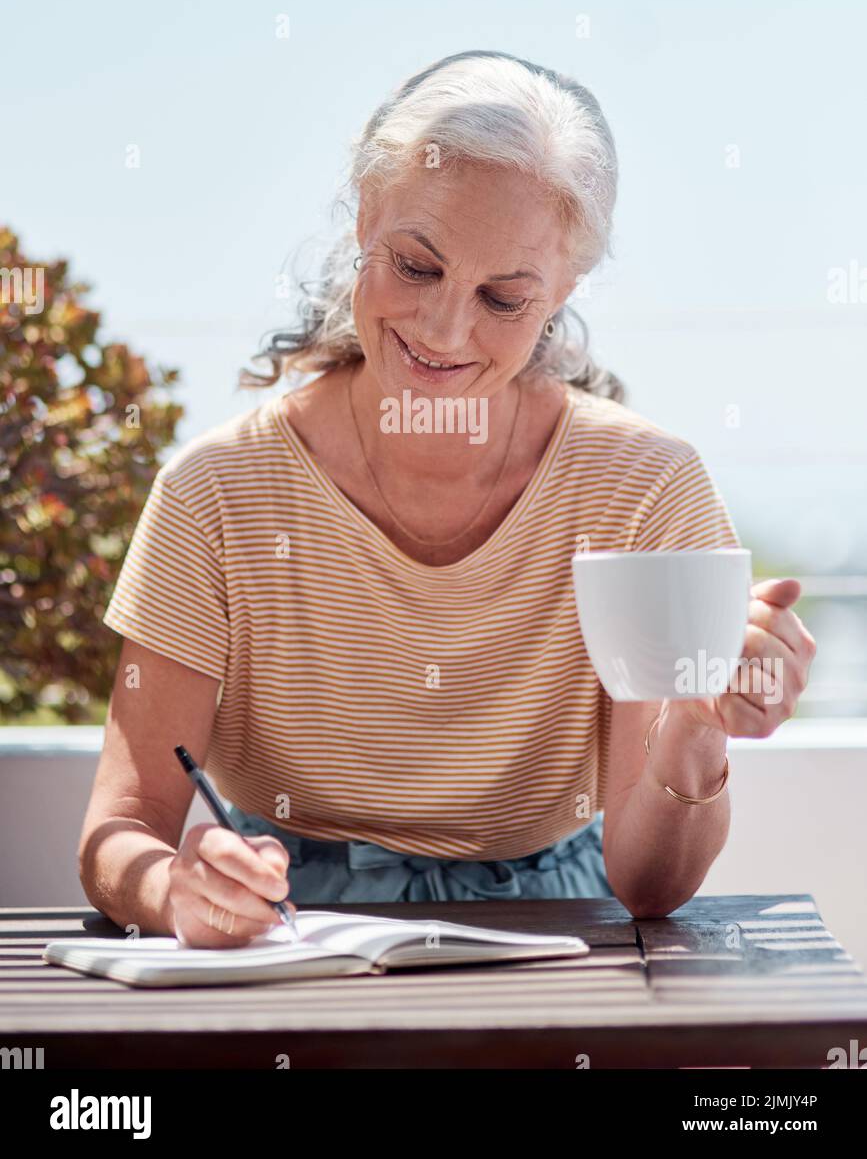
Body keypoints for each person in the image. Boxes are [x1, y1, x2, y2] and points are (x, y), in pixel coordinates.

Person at [78, 51, 817, 947]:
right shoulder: (218, 495)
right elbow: (121, 830)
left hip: (562, 934)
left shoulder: (644, 489)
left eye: (504, 298)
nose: (444, 330)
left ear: (562, 295)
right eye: (416, 266)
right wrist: (173, 890)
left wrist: (699, 730)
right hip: (284, 935)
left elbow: (650, 890)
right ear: (364, 215)